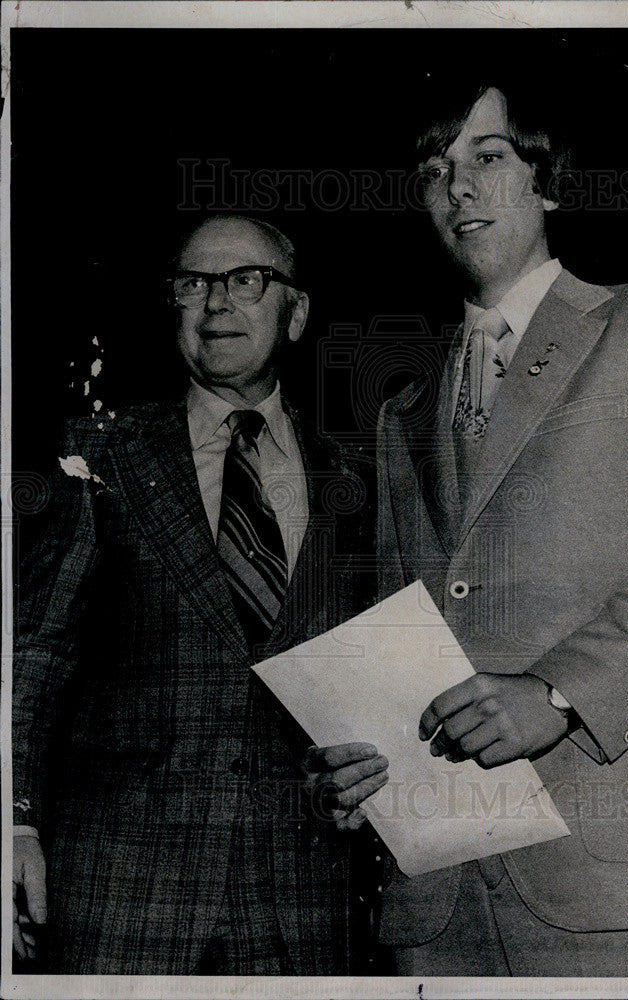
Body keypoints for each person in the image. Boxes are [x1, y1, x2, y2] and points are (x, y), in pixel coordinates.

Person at [371, 83, 628, 976]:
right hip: (439, 893)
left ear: (549, 184)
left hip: (622, 879)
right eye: (436, 171)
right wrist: (360, 757)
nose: (459, 188)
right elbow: (407, 629)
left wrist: (557, 694)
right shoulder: (403, 412)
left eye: (489, 158)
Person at [11, 214, 387, 975]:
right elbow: (34, 655)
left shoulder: (357, 477)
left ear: (297, 313)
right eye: (194, 283)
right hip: (121, 896)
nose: (216, 303)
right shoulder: (98, 454)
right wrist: (14, 823)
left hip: (302, 904)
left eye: (246, 280)